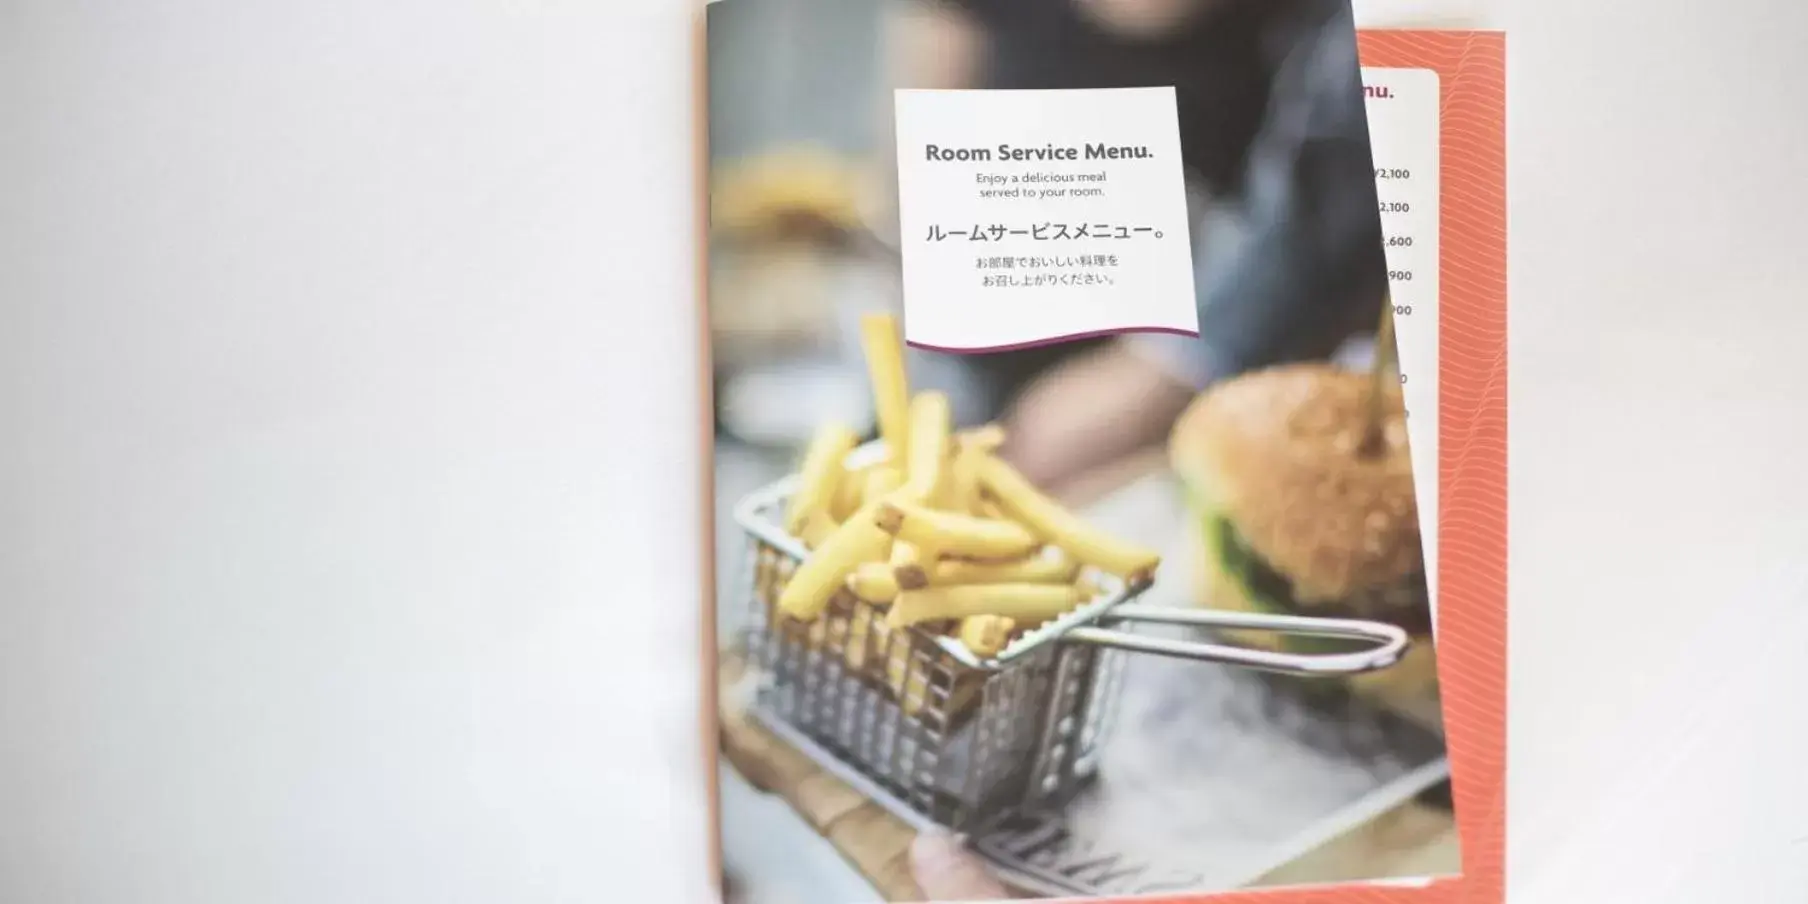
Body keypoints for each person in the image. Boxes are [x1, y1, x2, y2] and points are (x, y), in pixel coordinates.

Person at [867, 0, 1390, 492]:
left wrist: (1162, 386)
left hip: (1199, 433)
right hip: (970, 404)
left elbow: (1319, 250)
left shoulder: (1327, 34)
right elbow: (918, 197)